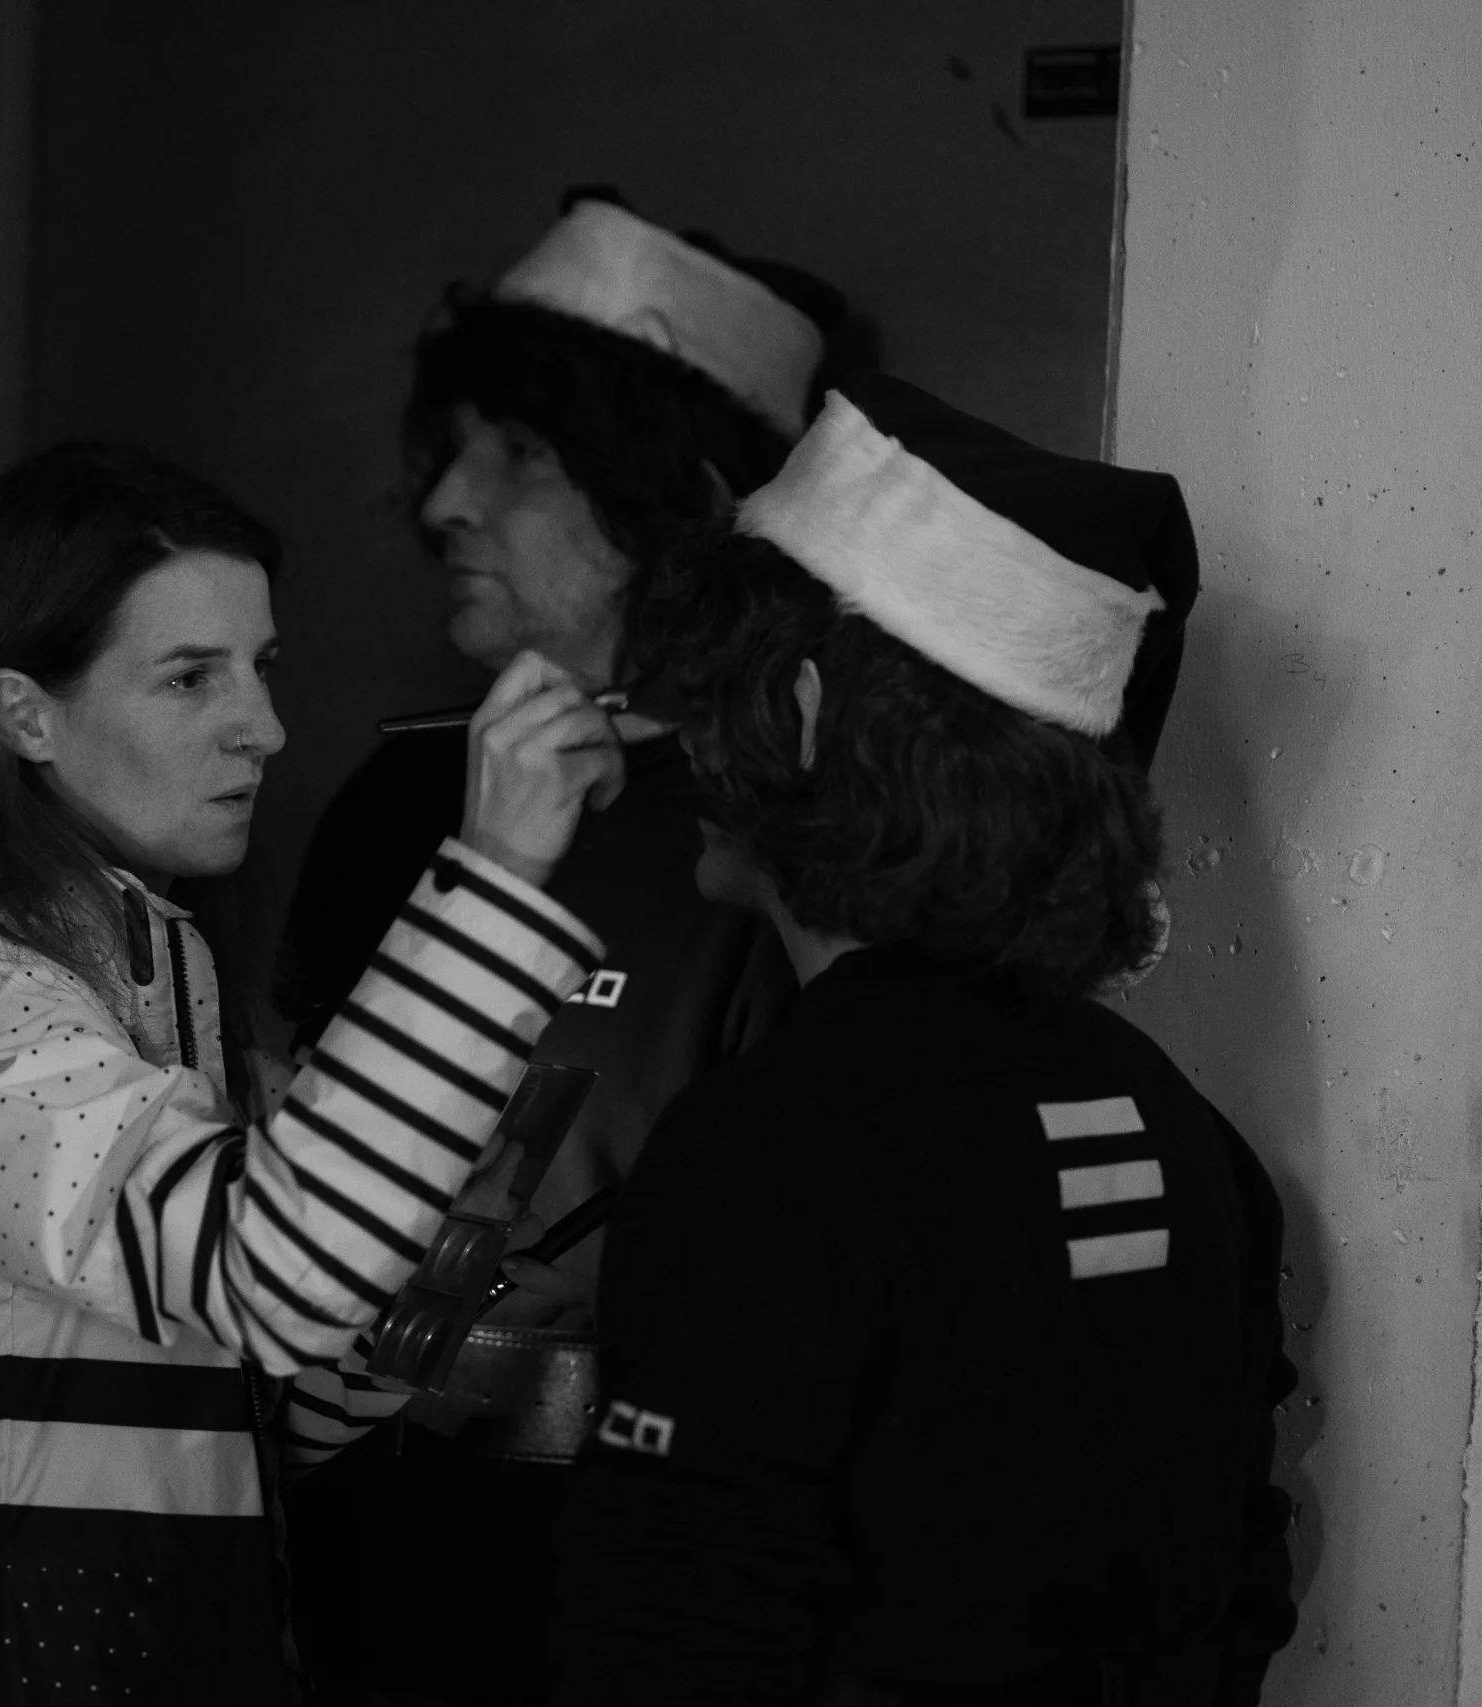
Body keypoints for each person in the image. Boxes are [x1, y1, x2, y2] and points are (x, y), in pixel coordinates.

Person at [0, 441, 623, 1705]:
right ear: (25, 715)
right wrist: (495, 872)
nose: (265, 728)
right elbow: (274, 1281)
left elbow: (254, 1423)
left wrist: (434, 1261)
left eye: (261, 666)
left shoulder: (151, 973)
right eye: (190, 677)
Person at [548, 374, 1291, 1704]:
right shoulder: (1178, 1121)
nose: (686, 731)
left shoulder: (778, 1142)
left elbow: (672, 1625)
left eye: (721, 681)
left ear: (808, 708)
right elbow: (1237, 1574)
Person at [278, 190, 861, 1704]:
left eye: (523, 453)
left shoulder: (797, 834)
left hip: (677, 1588)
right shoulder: (397, 798)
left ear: (679, 489)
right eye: (453, 449)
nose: (445, 504)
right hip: (370, 1564)